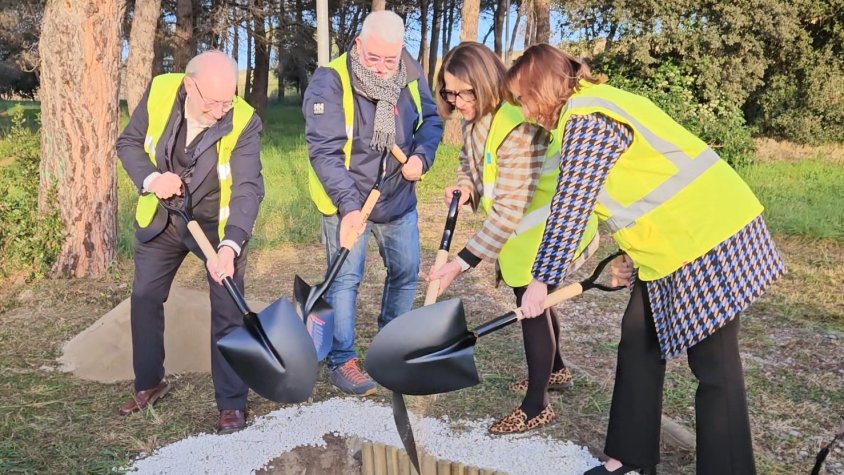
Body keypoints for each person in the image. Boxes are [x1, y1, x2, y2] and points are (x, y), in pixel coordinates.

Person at [510, 44, 785, 475]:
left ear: (542, 89)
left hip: (706, 238)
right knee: (639, 341)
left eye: (524, 99)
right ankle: (629, 460)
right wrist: (626, 254)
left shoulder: (589, 119)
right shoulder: (589, 114)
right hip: (668, 248)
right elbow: (629, 193)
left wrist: (541, 281)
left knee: (714, 364)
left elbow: (572, 205)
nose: (525, 111)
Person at [426, 42, 600, 434]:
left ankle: (537, 404)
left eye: (466, 92)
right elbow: (470, 161)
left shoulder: (516, 124)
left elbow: (508, 211)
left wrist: (460, 263)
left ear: (486, 82)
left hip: (553, 223)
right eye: (450, 92)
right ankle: (555, 370)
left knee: (531, 306)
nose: (457, 101)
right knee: (539, 299)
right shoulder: (476, 118)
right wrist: (465, 186)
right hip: (528, 226)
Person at [116, 50, 264, 434]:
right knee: (145, 297)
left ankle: (231, 403)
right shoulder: (162, 90)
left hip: (217, 227)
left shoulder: (245, 120)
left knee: (228, 307)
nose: (220, 112)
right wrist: (152, 180)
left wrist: (230, 247)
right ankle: (149, 381)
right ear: (188, 85)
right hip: (165, 216)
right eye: (212, 102)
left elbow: (248, 188)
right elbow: (129, 143)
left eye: (226, 102)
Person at [302, 10, 443, 396]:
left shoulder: (409, 71)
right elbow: (325, 152)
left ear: (401, 52)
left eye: (390, 60)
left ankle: (390, 348)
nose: (382, 69)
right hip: (347, 200)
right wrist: (349, 206)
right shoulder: (329, 81)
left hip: (397, 194)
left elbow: (431, 121)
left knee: (406, 271)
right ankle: (342, 360)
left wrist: (421, 157)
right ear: (358, 45)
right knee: (346, 279)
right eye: (373, 58)